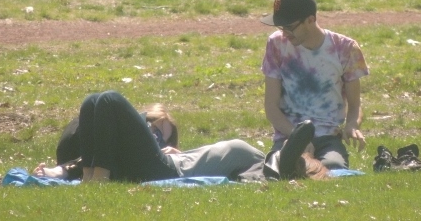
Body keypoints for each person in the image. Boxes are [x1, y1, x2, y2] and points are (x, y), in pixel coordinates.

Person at [33, 91, 329, 183]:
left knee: (107, 99)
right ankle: (90, 178)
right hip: (154, 165)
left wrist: (294, 163)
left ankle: (95, 181)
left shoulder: (259, 163)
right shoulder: (251, 156)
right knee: (93, 101)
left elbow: (264, 175)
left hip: (161, 169)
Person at [260, 0, 369, 170]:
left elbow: (355, 105)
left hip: (328, 137)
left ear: (310, 20)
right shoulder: (276, 44)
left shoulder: (345, 48)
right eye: (281, 27)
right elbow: (271, 106)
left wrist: (351, 125)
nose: (284, 33)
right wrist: (297, 138)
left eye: (289, 26)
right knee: (282, 170)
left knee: (333, 169)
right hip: (289, 136)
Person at [34, 96, 179, 180]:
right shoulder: (114, 122)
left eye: (159, 137)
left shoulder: (158, 160)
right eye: (151, 126)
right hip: (80, 146)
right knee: (97, 100)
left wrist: (178, 155)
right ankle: (64, 171)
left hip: (83, 159)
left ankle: (62, 171)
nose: (152, 135)